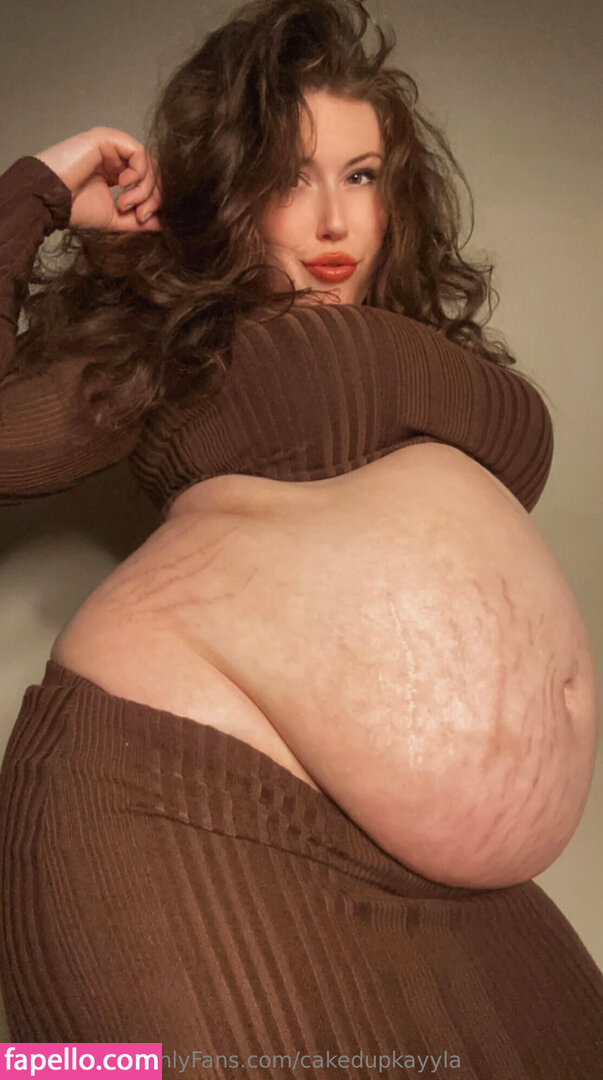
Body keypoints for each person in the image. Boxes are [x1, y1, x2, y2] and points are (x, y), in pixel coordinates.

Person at [0, 0, 601, 1074]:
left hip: (438, 882)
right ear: (232, 191)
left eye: (360, 176)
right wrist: (38, 189)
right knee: (93, 1069)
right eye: (289, 176)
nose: (333, 220)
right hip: (181, 800)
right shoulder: (183, 332)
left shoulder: (429, 345)